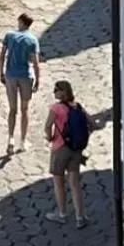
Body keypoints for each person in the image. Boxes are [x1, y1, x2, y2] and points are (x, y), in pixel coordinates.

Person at [45, 79, 90, 228]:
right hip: (76, 150)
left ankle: (62, 214)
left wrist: (49, 136)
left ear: (61, 92)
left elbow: (47, 125)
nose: (54, 92)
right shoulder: (77, 107)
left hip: (60, 148)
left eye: (56, 90)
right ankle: (80, 216)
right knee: (75, 183)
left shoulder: (56, 108)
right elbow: (92, 123)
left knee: (59, 183)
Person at [0, 12, 40, 155]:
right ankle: (22, 141)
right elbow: (35, 63)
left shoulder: (9, 36)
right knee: (24, 110)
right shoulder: (32, 40)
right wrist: (38, 80)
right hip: (25, 77)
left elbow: (2, 56)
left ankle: (10, 138)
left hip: (10, 76)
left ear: (21, 22)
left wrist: (1, 73)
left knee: (12, 110)